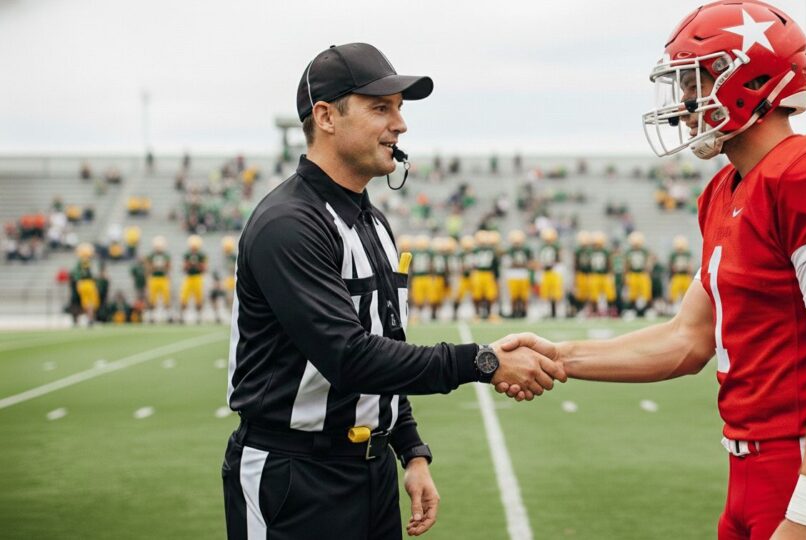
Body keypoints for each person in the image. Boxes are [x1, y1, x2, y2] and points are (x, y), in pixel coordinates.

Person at [500, 2, 806, 538]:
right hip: (746, 466)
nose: (683, 104)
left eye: (692, 83)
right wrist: (558, 356)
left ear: (749, 79)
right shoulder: (724, 192)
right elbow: (686, 339)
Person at [221, 42, 564, 540]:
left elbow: (386, 347)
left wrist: (410, 449)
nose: (400, 124)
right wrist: (481, 362)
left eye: (399, 108)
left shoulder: (372, 221)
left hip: (370, 469)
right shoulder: (289, 224)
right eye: (381, 108)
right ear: (326, 116)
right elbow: (349, 357)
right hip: (294, 476)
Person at [179, 234, 207, 323]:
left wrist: (197, 265)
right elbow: (184, 268)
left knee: (199, 298)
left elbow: (204, 268)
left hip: (198, 277)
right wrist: (189, 265)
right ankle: (183, 316)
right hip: (189, 277)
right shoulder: (187, 254)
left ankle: (199, 316)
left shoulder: (201, 255)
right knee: (184, 297)